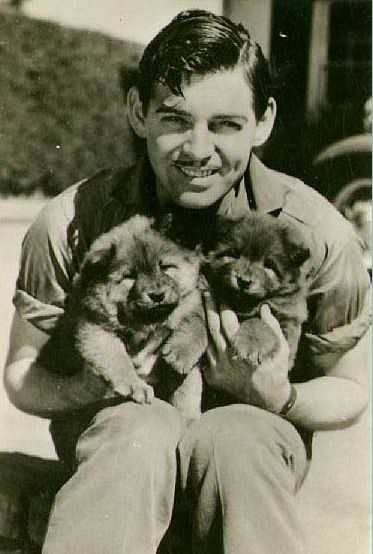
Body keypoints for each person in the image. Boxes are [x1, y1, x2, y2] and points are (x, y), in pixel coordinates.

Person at [3, 9, 371, 554]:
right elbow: (22, 374)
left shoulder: (316, 233)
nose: (197, 150)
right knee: (136, 432)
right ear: (138, 112)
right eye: (175, 119)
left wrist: (281, 395)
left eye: (225, 124)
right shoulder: (74, 220)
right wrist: (95, 385)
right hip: (116, 438)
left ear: (264, 121)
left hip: (250, 437)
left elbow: (351, 389)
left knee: (237, 440)